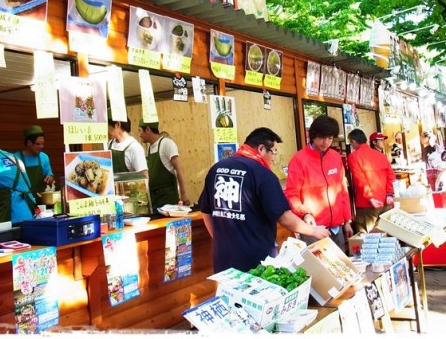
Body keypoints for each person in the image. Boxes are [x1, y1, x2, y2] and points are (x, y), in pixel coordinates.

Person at [199, 127, 330, 273]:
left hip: (223, 259)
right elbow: (284, 217)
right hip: (256, 263)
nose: (274, 158)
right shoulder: (263, 174)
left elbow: (206, 212)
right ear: (261, 148)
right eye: (273, 152)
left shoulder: (217, 169)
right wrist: (313, 230)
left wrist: (219, 241)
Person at [285, 116, 353, 250]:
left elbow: (342, 190)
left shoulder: (335, 157)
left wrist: (347, 221)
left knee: (340, 268)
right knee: (318, 268)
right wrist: (304, 214)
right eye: (322, 137)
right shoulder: (299, 159)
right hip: (313, 228)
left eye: (330, 138)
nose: (326, 142)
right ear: (313, 135)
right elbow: (292, 194)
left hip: (336, 227)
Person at [347, 129, 396, 234]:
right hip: (386, 201)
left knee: (367, 239)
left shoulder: (353, 157)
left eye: (351, 142)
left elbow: (359, 179)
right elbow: (391, 176)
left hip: (367, 204)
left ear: (354, 141)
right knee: (388, 236)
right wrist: (390, 194)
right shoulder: (381, 156)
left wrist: (370, 198)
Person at [138, 120, 190, 209]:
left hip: (168, 202)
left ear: (147, 129)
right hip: (154, 201)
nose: (139, 134)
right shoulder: (150, 148)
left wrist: (184, 193)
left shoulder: (166, 144)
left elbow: (179, 168)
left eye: (140, 130)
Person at [15, 125, 55, 197]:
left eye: (43, 144)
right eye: (38, 144)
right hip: (24, 201)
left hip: (42, 200)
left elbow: (50, 175)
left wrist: (50, 178)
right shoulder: (15, 159)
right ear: (29, 142)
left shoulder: (44, 157)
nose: (41, 146)